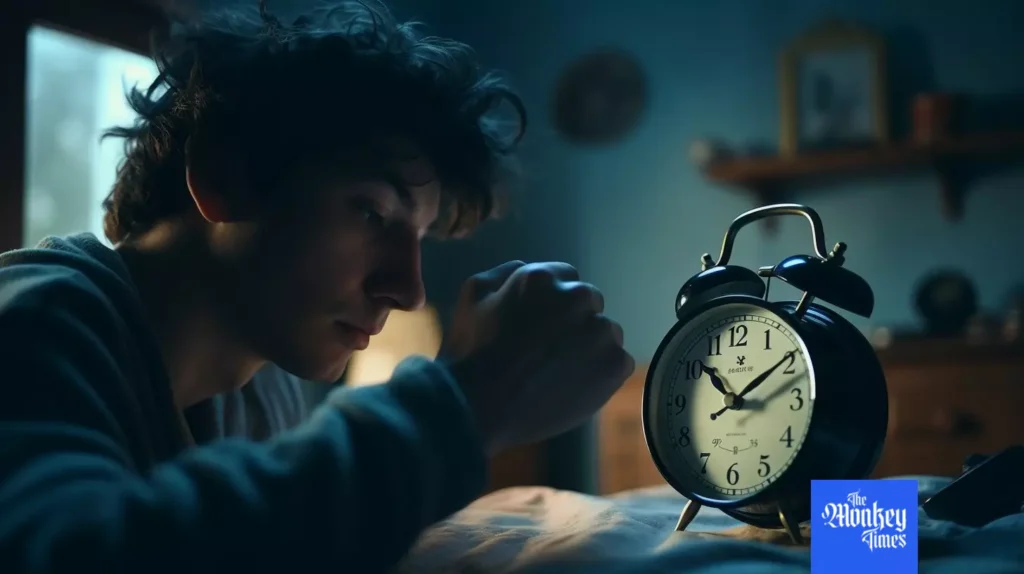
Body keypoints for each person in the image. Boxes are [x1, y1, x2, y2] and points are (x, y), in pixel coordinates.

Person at [0, 1, 635, 572]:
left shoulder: (270, 388)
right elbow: (69, 550)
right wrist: (466, 405)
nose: (408, 289)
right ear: (223, 175)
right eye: (370, 213)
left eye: (417, 237)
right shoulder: (35, 320)